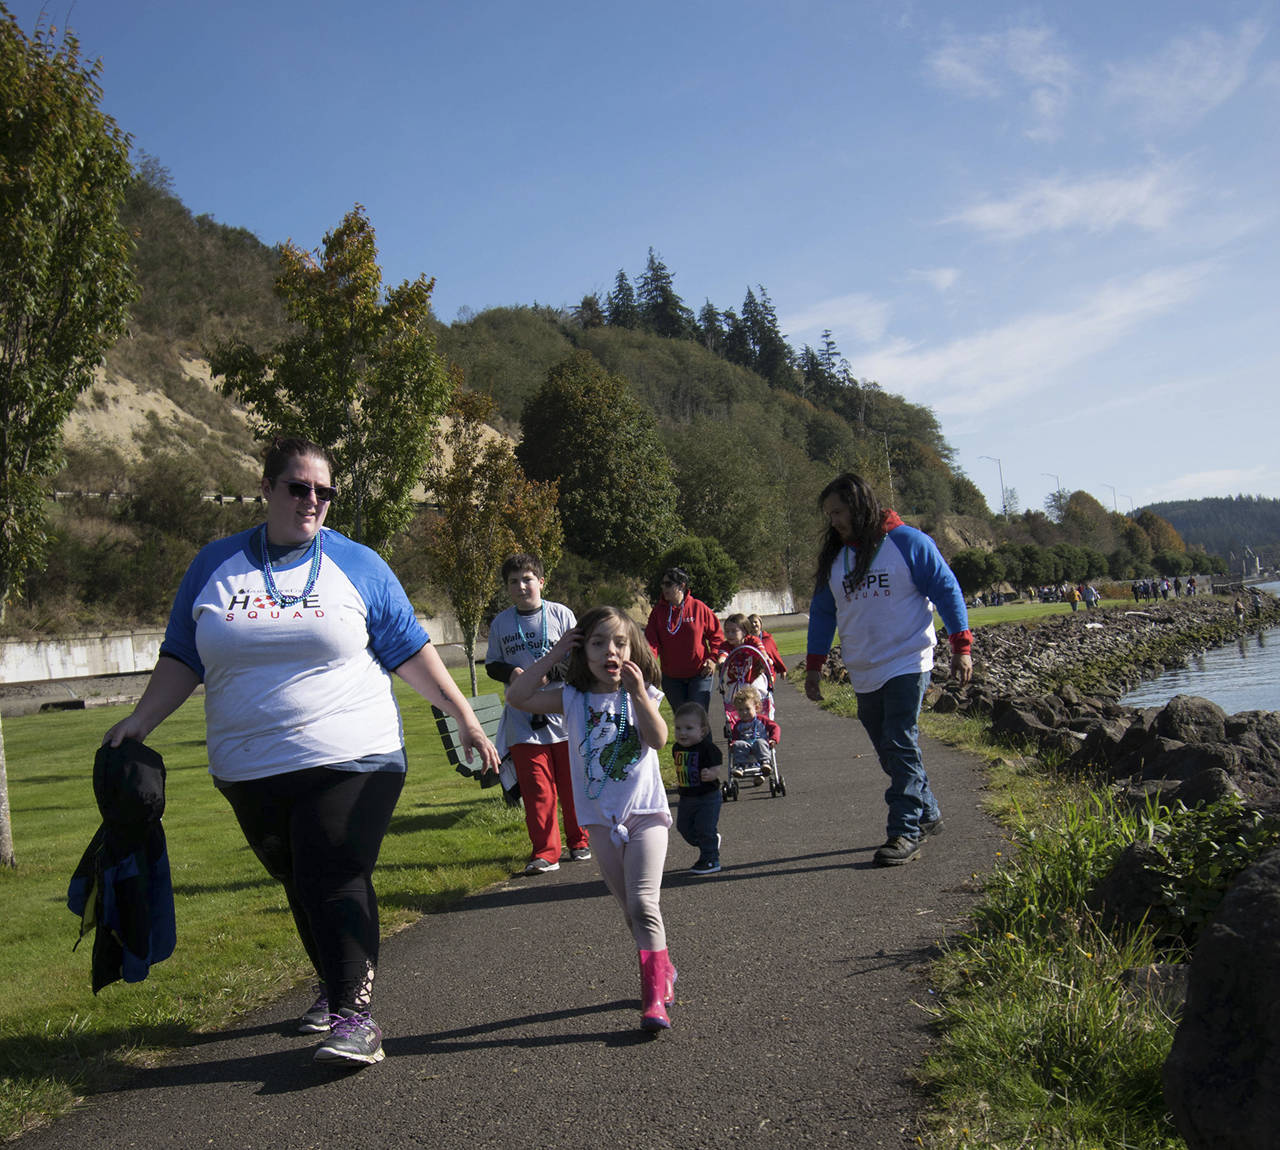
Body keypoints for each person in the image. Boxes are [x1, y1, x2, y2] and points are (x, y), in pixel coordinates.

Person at [102, 436, 500, 1068]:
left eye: (324, 491)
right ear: (267, 489)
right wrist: (141, 721)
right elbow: (183, 654)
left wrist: (462, 715)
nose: (313, 500)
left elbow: (408, 648)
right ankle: (335, 985)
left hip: (353, 752)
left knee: (332, 866)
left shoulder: (359, 564)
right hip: (248, 765)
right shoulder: (215, 565)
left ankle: (354, 1017)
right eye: (298, 487)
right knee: (297, 876)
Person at [505, 606, 678, 1030]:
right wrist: (554, 655)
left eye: (619, 642)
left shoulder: (644, 693)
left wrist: (638, 695)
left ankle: (653, 997)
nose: (610, 651)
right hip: (600, 821)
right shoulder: (572, 696)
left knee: (643, 903)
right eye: (598, 643)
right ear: (583, 651)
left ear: (632, 648)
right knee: (629, 910)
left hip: (645, 815)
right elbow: (518, 696)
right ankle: (664, 968)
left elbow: (657, 739)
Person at [803, 473, 972, 867]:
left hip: (907, 660)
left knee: (899, 740)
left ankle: (904, 830)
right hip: (863, 667)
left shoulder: (907, 542)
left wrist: (961, 647)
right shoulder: (836, 558)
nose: (834, 521)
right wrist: (814, 667)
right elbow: (823, 614)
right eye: (829, 514)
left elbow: (947, 590)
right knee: (889, 752)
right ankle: (927, 813)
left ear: (860, 505)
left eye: (839, 511)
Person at [485, 553, 590, 875]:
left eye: (527, 579)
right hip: (522, 718)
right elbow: (491, 664)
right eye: (513, 581)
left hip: (562, 714)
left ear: (541, 582)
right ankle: (546, 852)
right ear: (507, 588)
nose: (521, 586)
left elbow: (580, 656)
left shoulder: (561, 614)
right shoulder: (501, 622)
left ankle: (580, 840)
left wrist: (552, 673)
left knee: (571, 784)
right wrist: (512, 673)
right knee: (537, 789)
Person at [644, 567, 724, 712]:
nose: (663, 587)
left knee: (698, 719)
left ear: (681, 586)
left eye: (668, 584)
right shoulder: (658, 612)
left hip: (700, 675)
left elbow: (717, 636)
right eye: (662, 584)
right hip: (672, 678)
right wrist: (649, 663)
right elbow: (651, 642)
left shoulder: (698, 607)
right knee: (683, 720)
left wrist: (713, 659)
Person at [671, 702, 723, 876]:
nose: (682, 732)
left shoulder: (707, 748)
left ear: (702, 731)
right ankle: (710, 842)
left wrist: (712, 773)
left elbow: (717, 766)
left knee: (704, 827)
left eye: (688, 728)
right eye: (678, 728)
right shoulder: (676, 748)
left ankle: (710, 859)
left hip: (708, 796)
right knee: (683, 827)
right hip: (686, 796)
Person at [728, 686, 781, 777]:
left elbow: (775, 728)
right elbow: (735, 737)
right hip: (745, 747)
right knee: (738, 744)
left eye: (747, 709)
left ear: (756, 708)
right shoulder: (738, 725)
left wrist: (773, 739)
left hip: (760, 746)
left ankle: (765, 762)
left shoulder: (762, 720)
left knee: (760, 742)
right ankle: (739, 766)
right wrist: (733, 743)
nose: (744, 712)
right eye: (740, 710)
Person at [747, 613, 789, 678]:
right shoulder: (746, 641)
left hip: (768, 672)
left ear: (760, 623)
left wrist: (782, 670)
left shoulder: (767, 638)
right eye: (750, 623)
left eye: (755, 622)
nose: (753, 624)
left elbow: (775, 654)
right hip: (752, 674)